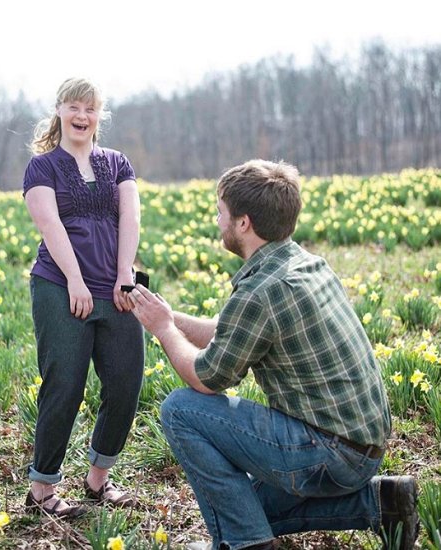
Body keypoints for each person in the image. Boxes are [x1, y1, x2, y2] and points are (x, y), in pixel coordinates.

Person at [129, 159, 419, 550]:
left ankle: (246, 545)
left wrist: (162, 329)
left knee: (181, 408)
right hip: (361, 446)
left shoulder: (260, 292)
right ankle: (382, 503)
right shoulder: (302, 263)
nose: (218, 222)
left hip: (329, 453)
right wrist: (167, 315)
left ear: (243, 223)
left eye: (221, 213)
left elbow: (205, 377)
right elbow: (233, 332)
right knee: (243, 506)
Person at [22, 77, 144, 517]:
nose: (81, 116)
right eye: (73, 106)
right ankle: (42, 488)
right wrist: (74, 279)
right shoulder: (44, 166)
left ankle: (98, 479)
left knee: (127, 382)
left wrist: (125, 274)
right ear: (59, 111)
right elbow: (49, 225)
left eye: (90, 108)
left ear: (99, 116)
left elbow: (130, 215)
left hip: (116, 289)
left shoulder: (117, 162)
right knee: (65, 384)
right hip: (60, 285)